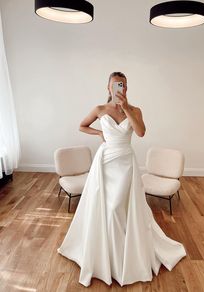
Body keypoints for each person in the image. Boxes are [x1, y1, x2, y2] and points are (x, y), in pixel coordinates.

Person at [57, 71, 187, 287]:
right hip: (105, 162)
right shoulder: (99, 110)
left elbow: (141, 132)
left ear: (127, 88)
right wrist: (98, 134)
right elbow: (82, 125)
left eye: (124, 85)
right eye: (116, 84)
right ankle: (105, 255)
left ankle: (125, 256)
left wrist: (126, 108)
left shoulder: (135, 110)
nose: (120, 88)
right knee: (107, 207)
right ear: (108, 87)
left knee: (120, 206)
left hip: (126, 163)